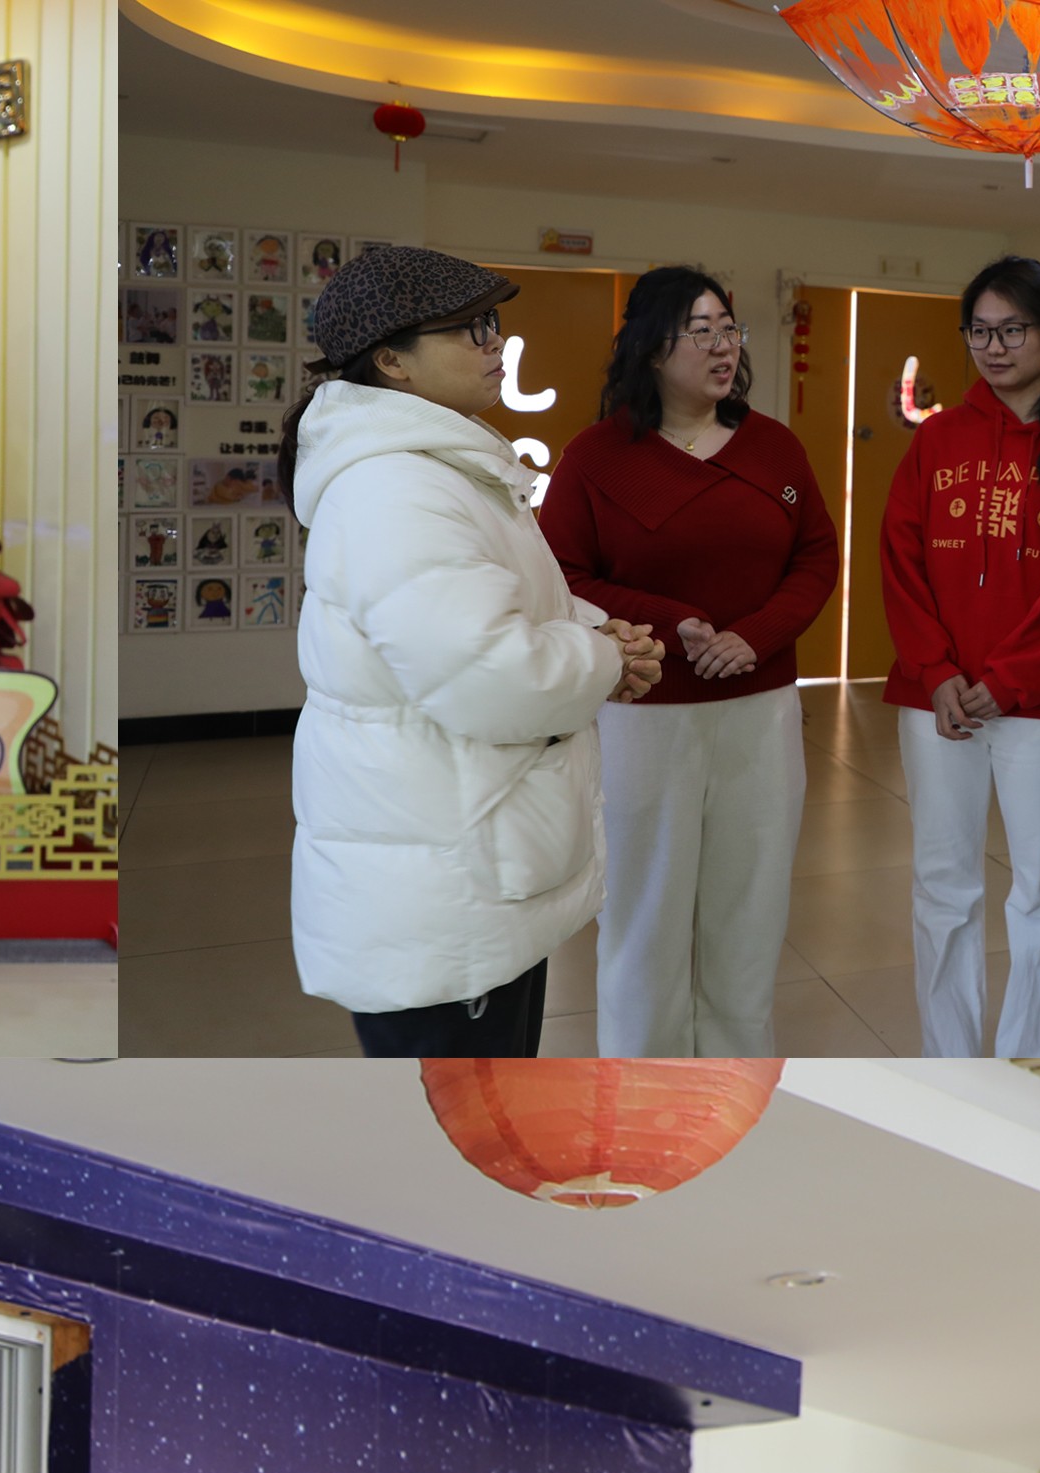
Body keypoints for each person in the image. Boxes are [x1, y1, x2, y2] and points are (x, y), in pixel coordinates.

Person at [286, 245, 662, 1056]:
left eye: (494, 323)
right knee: (452, 1118)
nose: (497, 343)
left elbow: (496, 604)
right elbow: (492, 676)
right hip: (442, 898)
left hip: (468, 865)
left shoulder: (436, 467)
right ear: (392, 361)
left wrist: (598, 633)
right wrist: (604, 660)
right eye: (471, 329)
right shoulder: (395, 488)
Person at [539, 267, 835, 1052]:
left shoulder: (774, 446)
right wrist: (674, 624)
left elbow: (815, 557)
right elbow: (563, 574)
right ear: (649, 347)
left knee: (750, 908)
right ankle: (641, 1085)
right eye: (700, 331)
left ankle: (735, 1080)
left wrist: (756, 635)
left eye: (730, 329)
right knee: (645, 913)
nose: (723, 346)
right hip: (644, 712)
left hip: (760, 709)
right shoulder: (596, 457)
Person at [877, 258, 1040, 1054]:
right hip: (938, 699)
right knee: (942, 886)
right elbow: (900, 558)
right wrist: (936, 671)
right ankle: (948, 1060)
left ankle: (1039, 1064)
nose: (993, 347)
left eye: (1012, 329)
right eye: (979, 331)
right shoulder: (938, 437)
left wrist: (1012, 678)